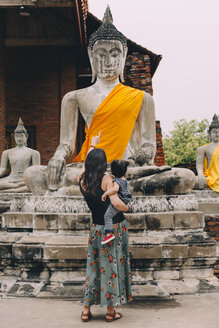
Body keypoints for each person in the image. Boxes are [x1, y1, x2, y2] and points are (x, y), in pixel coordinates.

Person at [77, 135, 132, 322]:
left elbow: (85, 165)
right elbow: (116, 203)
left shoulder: (82, 179)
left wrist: (92, 144)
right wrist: (128, 207)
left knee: (93, 268)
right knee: (111, 268)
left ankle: (86, 310)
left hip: (96, 229)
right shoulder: (107, 178)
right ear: (103, 164)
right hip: (113, 229)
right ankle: (110, 312)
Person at [0, 118, 40, 192]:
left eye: (21, 136)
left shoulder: (34, 153)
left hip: (25, 180)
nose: (19, 139)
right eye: (17, 136)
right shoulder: (7, 152)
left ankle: (13, 189)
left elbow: (36, 171)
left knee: (36, 185)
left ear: (26, 137)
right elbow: (3, 169)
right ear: (14, 137)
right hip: (11, 179)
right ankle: (16, 187)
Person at [101, 159, 132, 245]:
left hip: (120, 200)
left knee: (107, 216)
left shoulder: (116, 181)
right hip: (126, 200)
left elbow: (115, 189)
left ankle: (109, 234)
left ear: (112, 171)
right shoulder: (124, 179)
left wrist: (106, 193)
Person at [196, 114, 219, 191]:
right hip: (209, 176)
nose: (217, 134)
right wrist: (200, 174)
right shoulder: (203, 149)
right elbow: (199, 164)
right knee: (193, 181)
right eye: (215, 132)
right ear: (209, 132)